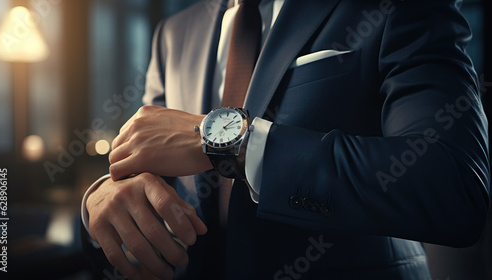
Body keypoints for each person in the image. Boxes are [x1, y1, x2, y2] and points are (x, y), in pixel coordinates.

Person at [81, 0, 490, 279]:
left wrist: (232, 143)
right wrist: (102, 196)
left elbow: (453, 187)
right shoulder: (173, 33)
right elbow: (146, 169)